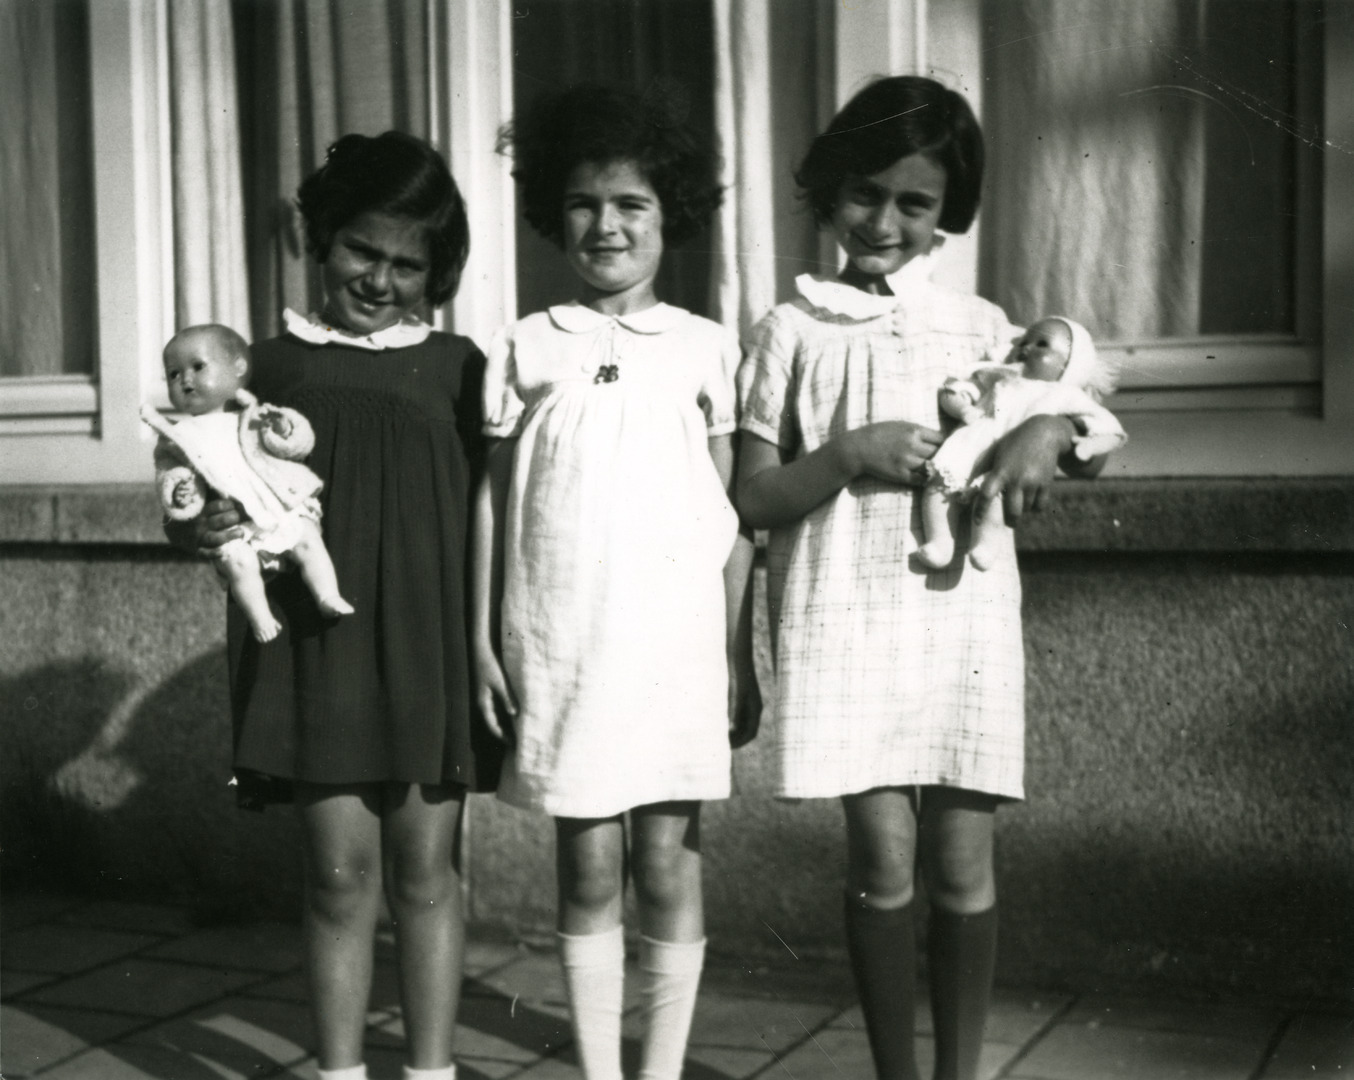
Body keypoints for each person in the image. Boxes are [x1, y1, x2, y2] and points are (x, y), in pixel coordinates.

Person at [735, 77, 1111, 1080]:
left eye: (915, 203)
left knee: (961, 860)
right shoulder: (789, 327)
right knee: (882, 860)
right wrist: (848, 453)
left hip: (958, 624)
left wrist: (1043, 427)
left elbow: (1088, 430)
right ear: (829, 188)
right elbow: (754, 498)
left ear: (948, 210)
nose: (884, 222)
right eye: (866, 194)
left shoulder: (985, 326)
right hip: (841, 619)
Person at [172, 131, 500, 1080]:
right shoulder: (264, 368)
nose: (381, 279)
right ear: (322, 237)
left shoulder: (460, 365)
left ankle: (431, 1072)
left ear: (436, 271)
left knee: (426, 875)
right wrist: (199, 524)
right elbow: (191, 495)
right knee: (336, 877)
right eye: (362, 249)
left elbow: (496, 509)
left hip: (430, 644)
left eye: (408, 264)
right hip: (317, 649)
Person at [474, 83, 758, 1080]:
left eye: (631, 203)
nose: (607, 225)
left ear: (670, 212)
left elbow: (730, 520)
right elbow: (493, 505)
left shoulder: (706, 346)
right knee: (589, 864)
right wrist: (481, 637)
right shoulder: (526, 344)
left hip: (674, 648)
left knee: (666, 863)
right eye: (585, 203)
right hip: (565, 644)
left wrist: (737, 653)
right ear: (555, 212)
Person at [144, 324, 353, 643]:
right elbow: (169, 473)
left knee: (309, 540)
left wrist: (283, 428)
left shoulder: (250, 416)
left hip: (274, 501)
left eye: (198, 367)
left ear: (238, 368)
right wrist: (180, 490)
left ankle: (327, 594)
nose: (185, 379)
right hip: (237, 518)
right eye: (173, 374)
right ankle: (260, 617)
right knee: (239, 562)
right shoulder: (177, 436)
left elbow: (295, 445)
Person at [917, 315, 1127, 571]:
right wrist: (962, 408)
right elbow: (961, 391)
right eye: (1025, 342)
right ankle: (940, 542)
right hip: (970, 443)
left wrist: (1089, 445)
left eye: (1042, 344)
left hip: (1006, 456)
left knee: (992, 499)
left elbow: (1107, 426)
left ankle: (985, 544)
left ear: (1067, 366)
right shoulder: (998, 376)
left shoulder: (1065, 393)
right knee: (938, 487)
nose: (1026, 348)